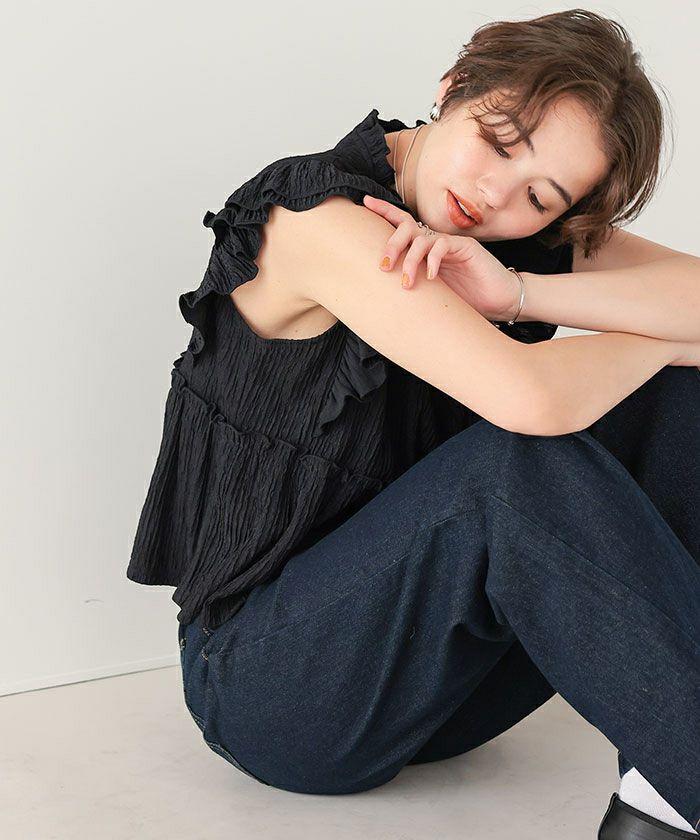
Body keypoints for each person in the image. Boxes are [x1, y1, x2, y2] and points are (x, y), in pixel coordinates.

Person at [127, 8, 700, 837]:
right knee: (513, 467)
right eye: (497, 142)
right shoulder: (313, 214)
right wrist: (665, 343)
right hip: (273, 693)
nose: (496, 194)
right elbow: (527, 400)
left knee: (682, 405)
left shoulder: (512, 237)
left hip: (447, 690)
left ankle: (663, 794)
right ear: (454, 86)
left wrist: (521, 292)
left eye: (541, 196)